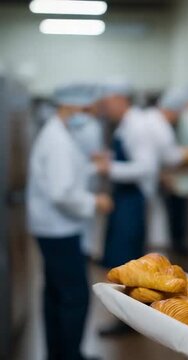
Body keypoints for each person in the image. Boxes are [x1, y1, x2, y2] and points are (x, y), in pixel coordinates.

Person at [27, 83, 113, 360]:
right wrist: (94, 202)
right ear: (70, 106)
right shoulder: (58, 141)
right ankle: (71, 355)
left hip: (50, 228)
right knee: (74, 297)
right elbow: (61, 192)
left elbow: (65, 175)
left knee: (55, 294)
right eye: (87, 109)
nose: (88, 115)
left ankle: (59, 353)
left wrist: (90, 166)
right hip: (59, 230)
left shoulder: (57, 134)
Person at [94, 81, 156, 336]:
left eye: (107, 104)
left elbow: (146, 167)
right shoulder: (126, 124)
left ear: (121, 99)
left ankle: (128, 322)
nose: (105, 109)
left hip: (132, 201)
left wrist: (110, 169)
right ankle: (125, 319)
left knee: (128, 264)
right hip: (123, 200)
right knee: (121, 264)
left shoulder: (137, 127)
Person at [145, 86, 188, 252]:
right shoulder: (161, 126)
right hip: (147, 180)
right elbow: (170, 157)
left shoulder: (154, 120)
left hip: (151, 178)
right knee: (155, 229)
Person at [67, 84, 106, 256]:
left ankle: (85, 251)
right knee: (84, 224)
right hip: (82, 181)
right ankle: (85, 252)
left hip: (85, 181)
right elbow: (92, 156)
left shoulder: (78, 127)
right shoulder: (90, 127)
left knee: (85, 224)